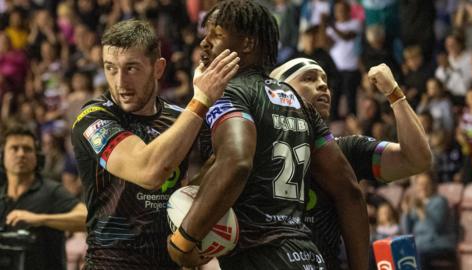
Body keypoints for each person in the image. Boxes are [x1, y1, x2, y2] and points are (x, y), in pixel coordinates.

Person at [167, 1, 369, 270]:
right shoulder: (300, 104)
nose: (204, 44)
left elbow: (236, 162)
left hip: (258, 257)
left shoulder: (229, 93)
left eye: (215, 35)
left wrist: (183, 240)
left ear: (248, 43)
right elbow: (350, 192)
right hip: (307, 257)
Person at [71, 19, 239, 269]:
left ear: (158, 68)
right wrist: (201, 100)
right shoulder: (93, 118)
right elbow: (148, 171)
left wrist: (191, 245)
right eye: (110, 68)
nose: (120, 83)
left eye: (131, 68)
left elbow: (222, 166)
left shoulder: (180, 117)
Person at [270, 58, 431, 269]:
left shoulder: (347, 149)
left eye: (324, 79)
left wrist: (394, 94)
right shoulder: (256, 148)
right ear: (280, 92)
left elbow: (417, 160)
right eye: (309, 78)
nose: (322, 85)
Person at [0, 124, 87, 270]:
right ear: (2, 156)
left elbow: (87, 219)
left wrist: (40, 219)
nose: (21, 154)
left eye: (27, 149)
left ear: (37, 157)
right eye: (14, 148)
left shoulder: (51, 191)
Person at [401, 172, 456, 270]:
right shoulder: (417, 204)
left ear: (433, 185)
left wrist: (421, 210)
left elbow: (435, 227)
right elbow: (406, 231)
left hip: (439, 245)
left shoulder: (440, 201)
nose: (423, 187)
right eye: (420, 184)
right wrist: (406, 213)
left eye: (426, 184)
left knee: (417, 255)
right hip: (420, 246)